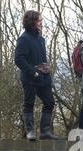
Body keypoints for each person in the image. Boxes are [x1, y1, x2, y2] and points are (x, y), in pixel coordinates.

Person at [15, 10, 57, 141]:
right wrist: (33, 72)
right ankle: (30, 132)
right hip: (29, 78)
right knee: (29, 103)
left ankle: (44, 132)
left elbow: (42, 59)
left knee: (49, 102)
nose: (41, 23)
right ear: (32, 22)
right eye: (39, 20)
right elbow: (18, 59)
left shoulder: (41, 39)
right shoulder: (23, 39)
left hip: (44, 78)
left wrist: (46, 73)